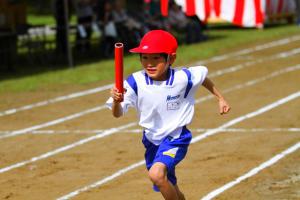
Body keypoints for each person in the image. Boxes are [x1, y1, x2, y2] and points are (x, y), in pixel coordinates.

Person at [106, 30, 231, 200]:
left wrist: (220, 98)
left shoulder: (183, 77)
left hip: (176, 138)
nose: (149, 63)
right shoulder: (134, 82)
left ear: (171, 59)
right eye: (144, 57)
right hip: (151, 140)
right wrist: (116, 101)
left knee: (157, 174)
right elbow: (117, 114)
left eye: (156, 58)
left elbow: (202, 78)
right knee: (170, 186)